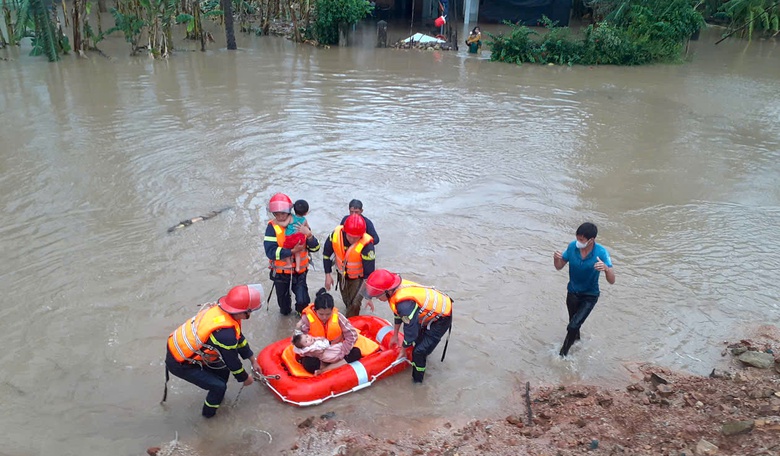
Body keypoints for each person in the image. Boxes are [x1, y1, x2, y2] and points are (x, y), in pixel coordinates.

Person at [164, 284, 264, 418]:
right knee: (218, 386)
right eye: (250, 311)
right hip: (180, 363)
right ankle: (208, 416)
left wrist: (253, 360)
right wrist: (244, 378)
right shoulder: (225, 334)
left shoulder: (223, 312)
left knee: (222, 371)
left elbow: (240, 339)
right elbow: (232, 361)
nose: (250, 314)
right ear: (241, 312)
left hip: (182, 349)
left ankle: (217, 398)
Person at [361, 270, 453, 383]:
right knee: (418, 343)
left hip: (441, 319)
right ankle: (422, 357)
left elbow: (411, 330)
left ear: (388, 291)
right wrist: (395, 335)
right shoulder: (395, 293)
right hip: (429, 313)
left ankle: (418, 382)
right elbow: (398, 314)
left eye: (378, 296)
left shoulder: (404, 305)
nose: (377, 298)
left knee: (419, 351)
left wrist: (404, 349)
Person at [553, 222, 615, 357]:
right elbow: (559, 266)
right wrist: (555, 259)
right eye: (577, 238)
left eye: (581, 240)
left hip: (590, 295)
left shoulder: (601, 252)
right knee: (574, 323)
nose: (578, 242)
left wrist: (606, 268)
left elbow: (612, 280)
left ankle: (562, 356)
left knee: (573, 326)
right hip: (572, 293)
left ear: (591, 240)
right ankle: (577, 343)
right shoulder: (572, 247)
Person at [264, 193, 321, 316]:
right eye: (276, 214)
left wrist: (309, 235)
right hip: (280, 274)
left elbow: (315, 248)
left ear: (289, 211)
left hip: (300, 272)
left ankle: (302, 321)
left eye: (282, 213)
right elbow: (270, 252)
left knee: (303, 302)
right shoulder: (271, 228)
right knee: (284, 308)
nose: (279, 217)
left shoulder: (300, 224)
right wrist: (291, 252)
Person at [295, 288, 362, 374]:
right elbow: (301, 341)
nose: (324, 317)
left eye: (328, 314)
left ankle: (325, 369)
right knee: (309, 363)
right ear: (315, 310)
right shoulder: (307, 319)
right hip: (317, 352)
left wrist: (343, 352)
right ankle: (327, 365)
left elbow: (352, 335)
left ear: (332, 310)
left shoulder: (338, 317)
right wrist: (314, 352)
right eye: (321, 314)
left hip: (337, 349)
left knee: (356, 353)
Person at [323, 213, 376, 317]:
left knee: (355, 303)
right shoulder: (335, 235)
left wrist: (368, 296)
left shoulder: (367, 246)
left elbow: (369, 274)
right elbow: (326, 255)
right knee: (347, 301)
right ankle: (350, 315)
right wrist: (328, 275)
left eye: (356, 238)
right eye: (350, 236)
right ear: (344, 231)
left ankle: (350, 325)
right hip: (342, 275)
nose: (352, 240)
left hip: (359, 278)